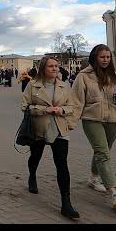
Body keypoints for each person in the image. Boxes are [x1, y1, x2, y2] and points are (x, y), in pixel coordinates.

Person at [70, 44, 116, 210]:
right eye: (102, 57)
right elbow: (76, 101)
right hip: (92, 118)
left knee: (103, 150)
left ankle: (93, 178)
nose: (106, 60)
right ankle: (114, 193)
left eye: (108, 57)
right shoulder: (83, 76)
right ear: (94, 58)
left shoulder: (115, 76)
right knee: (103, 153)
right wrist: (70, 122)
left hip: (114, 118)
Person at [21, 56, 79, 219]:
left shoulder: (64, 86)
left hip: (60, 129)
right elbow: (24, 106)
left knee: (62, 164)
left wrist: (62, 110)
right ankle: (32, 176)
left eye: (56, 66)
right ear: (43, 69)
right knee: (35, 157)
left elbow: (72, 106)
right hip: (39, 129)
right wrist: (43, 110)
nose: (55, 69)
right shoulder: (33, 85)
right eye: (51, 66)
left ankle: (66, 203)